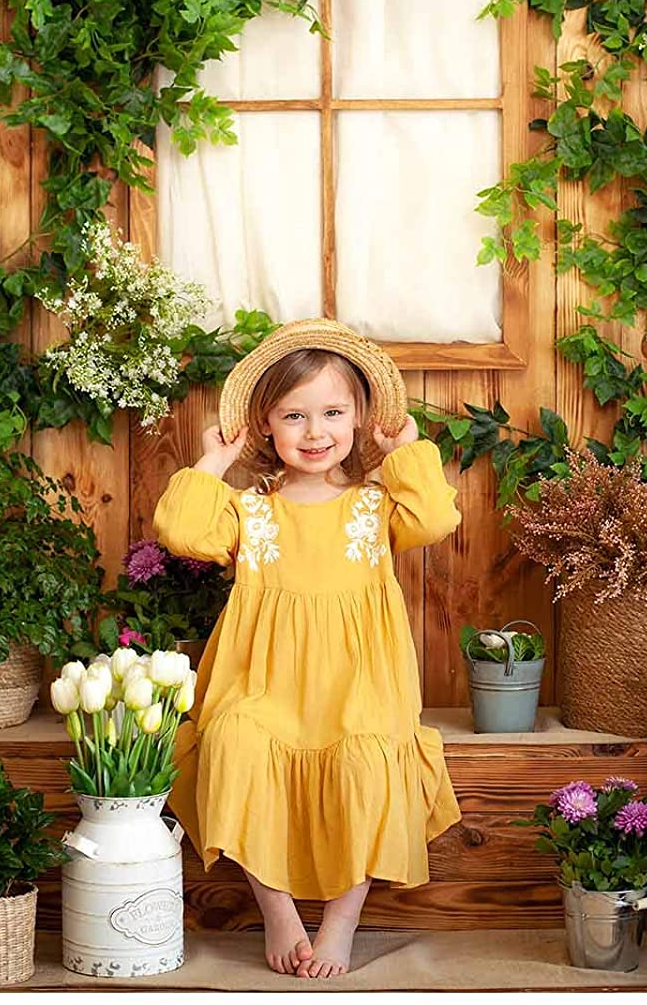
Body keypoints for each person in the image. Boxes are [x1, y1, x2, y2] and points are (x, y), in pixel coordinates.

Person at [152, 319, 462, 979]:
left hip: (359, 682)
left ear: (360, 419)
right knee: (234, 743)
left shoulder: (375, 506)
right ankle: (278, 907)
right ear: (264, 424)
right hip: (263, 680)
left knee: (369, 758)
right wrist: (214, 458)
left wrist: (406, 447)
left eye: (332, 413)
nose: (315, 432)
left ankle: (343, 920)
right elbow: (180, 530)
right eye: (294, 415)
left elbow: (435, 516)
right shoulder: (251, 509)